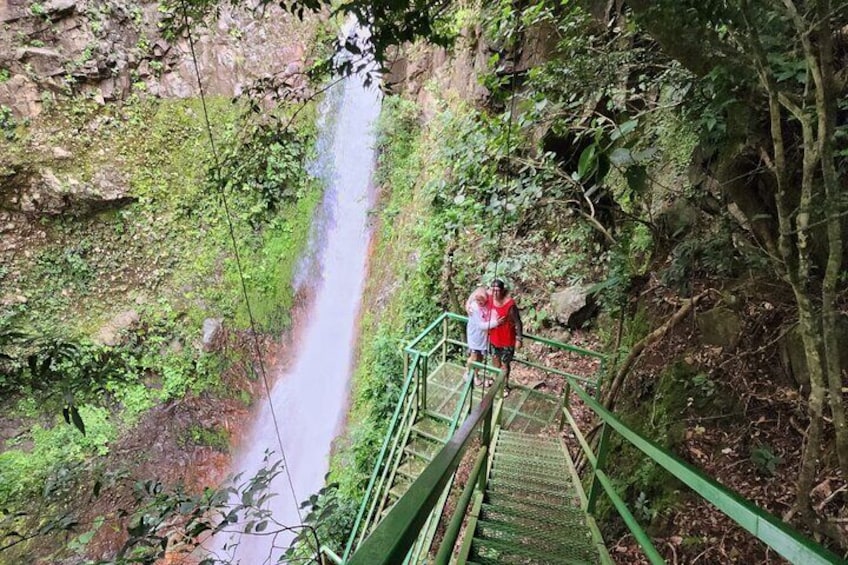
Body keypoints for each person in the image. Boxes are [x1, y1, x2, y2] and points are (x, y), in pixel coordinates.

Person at [487, 279, 523, 389]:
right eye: (493, 290)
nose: (495, 293)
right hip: (494, 337)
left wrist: (519, 338)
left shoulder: (509, 304)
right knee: (495, 360)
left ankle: (505, 385)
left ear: (502, 291)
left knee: (505, 364)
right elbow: (477, 293)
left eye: (497, 290)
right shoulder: (489, 299)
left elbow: (518, 321)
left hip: (507, 339)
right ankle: (496, 379)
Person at [465, 286, 502, 382]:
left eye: (481, 301)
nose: (479, 303)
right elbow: (481, 325)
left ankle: (476, 374)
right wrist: (496, 322)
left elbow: (481, 291)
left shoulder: (488, 298)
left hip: (484, 336)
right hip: (475, 335)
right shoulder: (474, 308)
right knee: (474, 356)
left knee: (480, 357)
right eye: (478, 301)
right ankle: (468, 373)